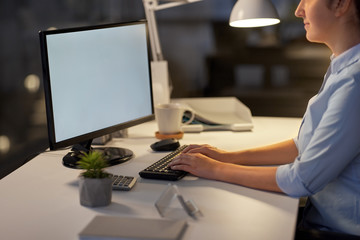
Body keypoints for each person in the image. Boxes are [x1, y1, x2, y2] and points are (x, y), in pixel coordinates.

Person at [169, 0, 360, 236]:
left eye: (307, 0)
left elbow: (300, 180)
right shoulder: (343, 65)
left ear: (341, 4)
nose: (299, 10)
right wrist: (228, 157)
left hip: (337, 231)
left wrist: (216, 170)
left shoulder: (354, 81)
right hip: (320, 220)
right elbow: (303, 146)